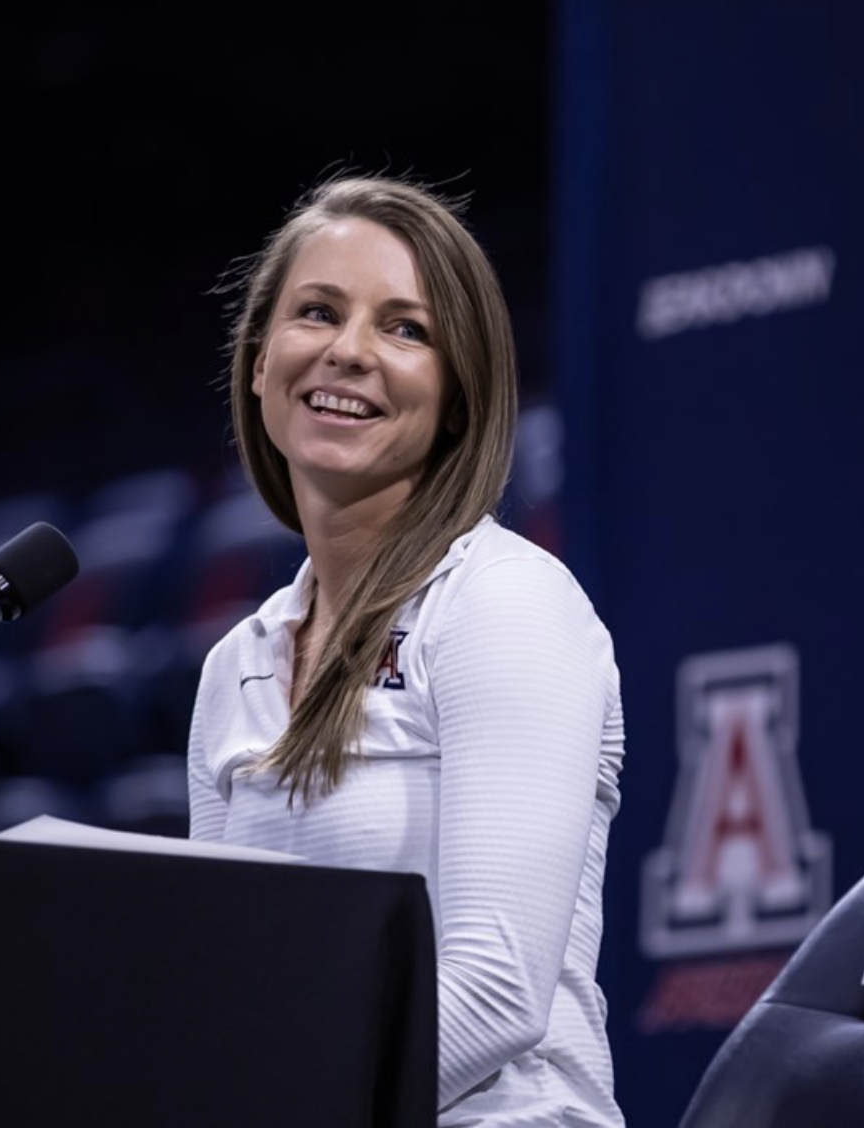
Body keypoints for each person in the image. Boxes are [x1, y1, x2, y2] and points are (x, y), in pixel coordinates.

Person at [186, 174, 626, 1127]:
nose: (348, 352)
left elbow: (498, 989)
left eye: (405, 329)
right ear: (260, 361)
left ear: (458, 397)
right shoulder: (236, 667)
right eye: (317, 312)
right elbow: (221, 984)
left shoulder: (507, 603)